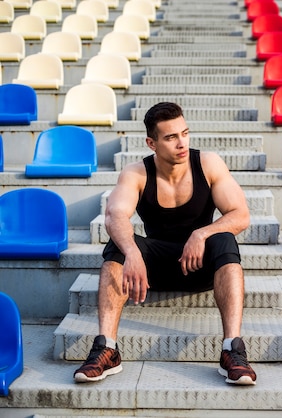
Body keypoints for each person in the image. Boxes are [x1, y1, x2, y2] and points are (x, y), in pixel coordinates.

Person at [73, 102, 257, 386]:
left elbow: (240, 215)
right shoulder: (137, 173)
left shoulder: (207, 164)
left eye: (184, 133)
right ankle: (107, 347)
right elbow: (114, 216)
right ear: (152, 143)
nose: (181, 143)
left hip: (200, 266)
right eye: (171, 137)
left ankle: (232, 349)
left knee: (224, 239)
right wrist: (132, 252)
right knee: (119, 244)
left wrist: (201, 234)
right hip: (152, 270)